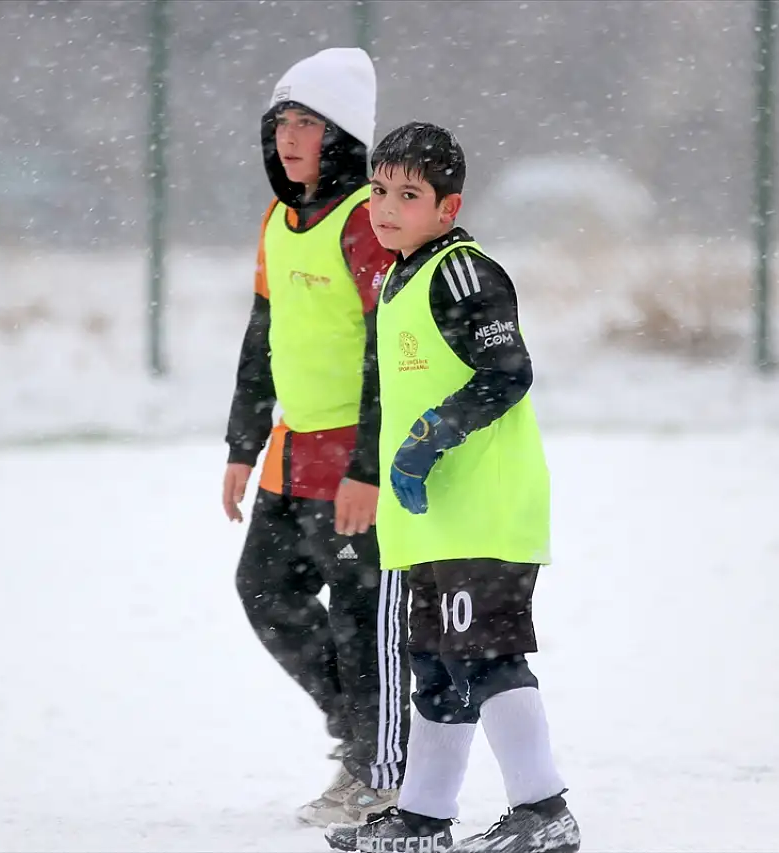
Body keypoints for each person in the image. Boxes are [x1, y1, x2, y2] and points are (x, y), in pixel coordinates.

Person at [325, 122, 581, 853]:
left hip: (485, 512)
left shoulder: (464, 272)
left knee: (489, 656)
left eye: (409, 194)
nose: (386, 206)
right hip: (430, 521)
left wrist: (433, 435)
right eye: (378, 190)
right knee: (437, 664)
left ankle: (544, 809)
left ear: (448, 206)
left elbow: (507, 374)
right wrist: (379, 467)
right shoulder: (395, 280)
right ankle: (424, 816)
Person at [222, 47, 408, 827]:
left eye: (305, 122)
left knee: (355, 613)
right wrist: (240, 443)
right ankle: (362, 736)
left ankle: (378, 762)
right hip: (289, 456)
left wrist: (368, 464)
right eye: (280, 123)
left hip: (351, 464)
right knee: (264, 589)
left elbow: (386, 352)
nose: (289, 137)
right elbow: (262, 332)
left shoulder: (365, 221)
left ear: (338, 136)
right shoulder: (277, 218)